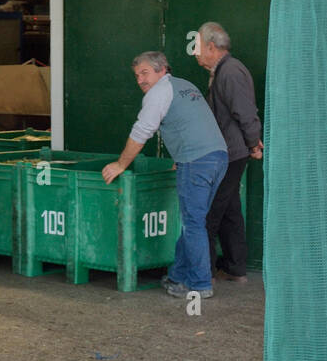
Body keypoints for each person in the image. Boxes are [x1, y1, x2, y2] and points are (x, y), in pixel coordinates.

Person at [102, 50, 227, 298]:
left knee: (193, 223)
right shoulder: (184, 85)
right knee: (193, 222)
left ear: (162, 69)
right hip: (218, 156)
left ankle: (200, 285)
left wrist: (121, 164)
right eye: (137, 75)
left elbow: (141, 132)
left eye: (145, 73)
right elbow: (191, 122)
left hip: (197, 160)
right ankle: (178, 276)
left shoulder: (159, 92)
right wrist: (180, 160)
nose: (140, 80)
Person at [195, 21, 263, 284]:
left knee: (211, 210)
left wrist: (253, 142)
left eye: (198, 46)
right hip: (232, 151)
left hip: (230, 153)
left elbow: (244, 112)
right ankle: (236, 267)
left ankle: (203, 272)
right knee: (230, 209)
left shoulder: (230, 72)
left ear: (211, 47)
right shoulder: (224, 70)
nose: (196, 52)